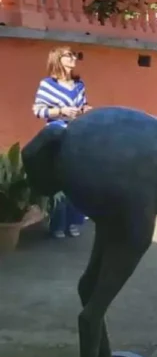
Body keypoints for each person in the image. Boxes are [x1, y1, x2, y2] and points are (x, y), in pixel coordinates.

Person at [32, 47, 90, 239]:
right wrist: (62, 111)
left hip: (77, 134)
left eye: (74, 55)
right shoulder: (47, 84)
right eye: (69, 55)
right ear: (58, 59)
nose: (73, 58)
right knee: (61, 180)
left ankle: (74, 222)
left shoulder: (79, 84)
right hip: (56, 133)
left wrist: (84, 109)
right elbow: (39, 110)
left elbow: (83, 105)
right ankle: (57, 224)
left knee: (79, 179)